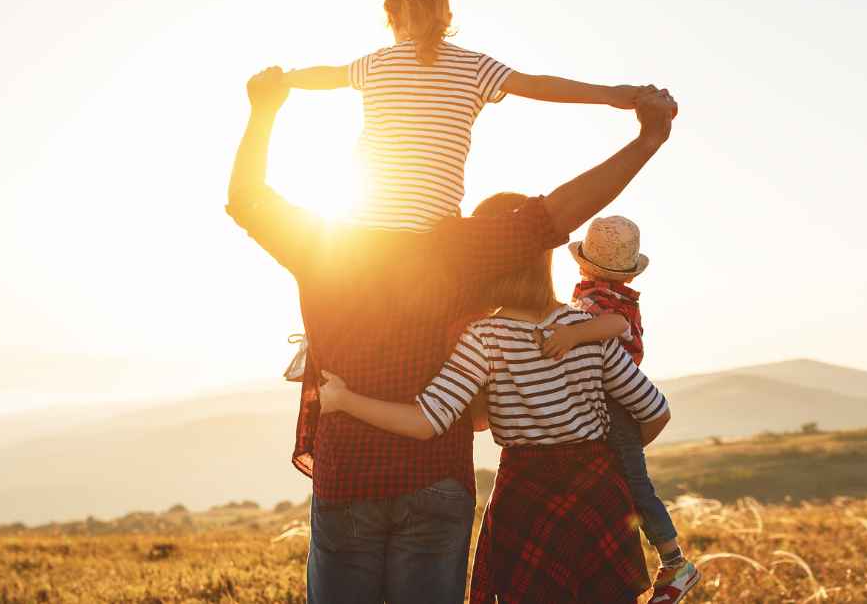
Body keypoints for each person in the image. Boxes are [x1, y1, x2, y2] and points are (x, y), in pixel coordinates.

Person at [226, 65, 678, 603]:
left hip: (348, 475)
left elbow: (246, 197)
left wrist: (264, 110)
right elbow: (558, 214)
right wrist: (647, 139)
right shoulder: (463, 254)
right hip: (438, 478)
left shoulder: (322, 243)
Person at [317, 192, 672, 603]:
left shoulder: (484, 338)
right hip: (599, 497)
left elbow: (427, 421)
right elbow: (655, 411)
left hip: (528, 500)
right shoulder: (590, 328)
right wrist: (602, 461)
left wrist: (344, 400)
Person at [281, 0, 646, 232]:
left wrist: (283, 79)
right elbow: (539, 85)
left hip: (360, 229)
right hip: (433, 233)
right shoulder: (474, 67)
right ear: (447, 14)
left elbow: (325, 75)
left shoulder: (375, 64)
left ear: (390, 15)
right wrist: (612, 95)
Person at [539, 215, 700, 604]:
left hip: (615, 403)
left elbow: (612, 326)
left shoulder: (605, 303)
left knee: (634, 484)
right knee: (621, 483)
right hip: (611, 403)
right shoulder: (604, 295)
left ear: (582, 262)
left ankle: (675, 562)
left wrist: (572, 334)